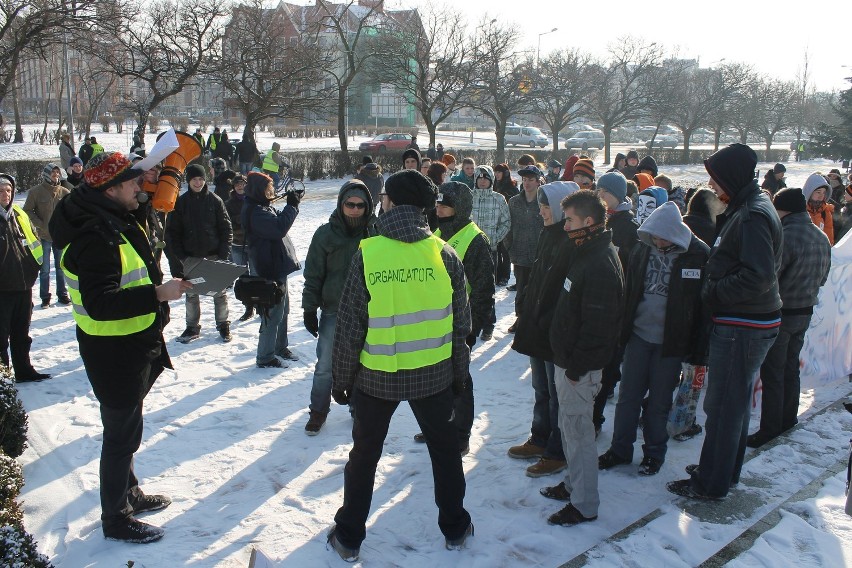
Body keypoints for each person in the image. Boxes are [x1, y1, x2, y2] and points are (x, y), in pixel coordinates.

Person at [327, 170, 473, 561]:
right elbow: (462, 325)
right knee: (445, 454)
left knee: (364, 456)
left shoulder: (369, 253)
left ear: (388, 201)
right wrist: (460, 376)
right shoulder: (445, 253)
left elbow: (350, 326)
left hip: (377, 378)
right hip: (434, 375)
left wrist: (341, 380)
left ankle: (348, 536)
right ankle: (456, 528)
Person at [48, 151, 192, 543]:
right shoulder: (95, 236)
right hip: (113, 351)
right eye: (133, 183)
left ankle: (129, 493)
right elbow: (101, 301)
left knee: (127, 427)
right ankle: (115, 518)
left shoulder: (111, 217)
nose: (140, 189)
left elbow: (137, 259)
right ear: (110, 189)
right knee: (120, 437)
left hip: (132, 342)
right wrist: (158, 294)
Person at [667, 143, 782, 501]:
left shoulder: (751, 215)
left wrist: (714, 290)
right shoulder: (751, 206)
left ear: (731, 177)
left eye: (716, 180)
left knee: (723, 407)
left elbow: (758, 275)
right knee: (734, 403)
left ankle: (710, 482)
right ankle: (723, 471)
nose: (712, 186)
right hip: (749, 321)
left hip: (742, 325)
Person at [598, 202, 710, 476]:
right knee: (627, 398)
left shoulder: (698, 255)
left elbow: (703, 306)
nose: (658, 241)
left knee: (659, 403)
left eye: (663, 237)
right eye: (654, 236)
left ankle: (654, 454)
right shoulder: (642, 248)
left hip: (671, 344)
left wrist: (697, 350)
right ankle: (620, 449)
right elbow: (630, 288)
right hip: (638, 336)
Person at [541, 190, 623, 526]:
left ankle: (585, 504)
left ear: (588, 222)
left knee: (578, 434)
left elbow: (599, 327)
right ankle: (574, 484)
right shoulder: (586, 251)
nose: (565, 227)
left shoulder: (600, 262)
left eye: (570, 221)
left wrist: (576, 367)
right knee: (571, 429)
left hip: (579, 368)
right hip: (570, 361)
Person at [412, 181, 494, 452]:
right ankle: (438, 427)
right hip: (433, 322)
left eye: (446, 205)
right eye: (438, 204)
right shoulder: (436, 231)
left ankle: (460, 434)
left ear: (460, 208)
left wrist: (472, 328)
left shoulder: (475, 239)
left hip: (460, 323)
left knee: (459, 381)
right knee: (434, 379)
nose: (440, 209)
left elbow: (483, 290)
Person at [747, 188, 831, 448]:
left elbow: (772, 276)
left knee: (773, 371)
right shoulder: (820, 236)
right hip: (805, 311)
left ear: (784, 209)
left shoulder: (785, 235)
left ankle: (770, 428)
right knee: (790, 368)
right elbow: (825, 277)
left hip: (782, 312)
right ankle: (787, 420)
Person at [510, 181, 578, 477]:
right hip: (536, 325)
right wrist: (524, 304)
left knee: (556, 393)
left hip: (554, 329)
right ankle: (539, 438)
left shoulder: (571, 241)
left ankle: (557, 450)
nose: (542, 211)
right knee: (541, 389)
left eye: (548, 206)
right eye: (541, 205)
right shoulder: (548, 235)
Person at [302, 180, 375, 434]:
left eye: (360, 206)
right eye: (350, 204)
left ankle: (359, 408)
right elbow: (313, 275)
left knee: (362, 364)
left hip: (367, 310)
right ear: (341, 204)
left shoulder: (374, 234)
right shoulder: (325, 234)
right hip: (333, 309)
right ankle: (318, 411)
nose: (355, 210)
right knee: (325, 365)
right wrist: (309, 309)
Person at [592, 172, 639, 433]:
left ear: (618, 196)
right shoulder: (602, 219)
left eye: (604, 193)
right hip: (599, 298)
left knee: (607, 363)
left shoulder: (627, 227)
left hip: (617, 302)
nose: (599, 197)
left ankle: (595, 418)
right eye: (598, 191)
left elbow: (630, 268)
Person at [165, 163, 233, 343]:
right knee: (191, 294)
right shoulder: (181, 202)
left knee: (219, 293)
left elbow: (226, 228)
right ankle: (192, 326)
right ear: (189, 181)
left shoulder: (215, 200)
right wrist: (181, 256)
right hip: (190, 257)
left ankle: (223, 324)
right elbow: (173, 232)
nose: (198, 182)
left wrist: (223, 254)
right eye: (195, 179)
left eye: (201, 179)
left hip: (213, 254)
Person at [243, 172, 301, 367]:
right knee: (272, 314)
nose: (272, 192)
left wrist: (290, 204)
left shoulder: (261, 207)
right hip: (268, 270)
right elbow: (279, 228)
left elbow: (279, 222)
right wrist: (292, 206)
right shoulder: (256, 212)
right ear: (259, 190)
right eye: (268, 189)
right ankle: (265, 356)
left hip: (276, 267)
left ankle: (279, 346)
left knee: (283, 311)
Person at [0, 173, 50, 382]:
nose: (5, 194)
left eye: (8, 190)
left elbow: (34, 243)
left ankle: (23, 370)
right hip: (2, 290)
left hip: (23, 285)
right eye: (1, 191)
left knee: (22, 334)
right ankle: (3, 377)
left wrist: (34, 267)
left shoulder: (18, 214)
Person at [469, 165, 510, 341]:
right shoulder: (469, 197)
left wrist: (494, 239)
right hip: (469, 250)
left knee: (487, 288)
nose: (483, 180)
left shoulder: (499, 199)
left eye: (486, 177)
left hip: (490, 250)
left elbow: (506, 223)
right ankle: (469, 322)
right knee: (468, 288)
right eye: (480, 177)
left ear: (492, 180)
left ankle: (488, 324)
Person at [23, 163, 71, 308]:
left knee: (60, 267)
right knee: (44, 270)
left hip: (59, 236)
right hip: (43, 236)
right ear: (46, 174)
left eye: (57, 173)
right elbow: (28, 211)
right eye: (52, 173)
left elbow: (70, 211)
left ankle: (62, 294)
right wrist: (41, 224)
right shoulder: (35, 192)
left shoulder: (64, 192)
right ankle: (45, 297)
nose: (55, 175)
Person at [504, 165, 545, 332]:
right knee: (521, 290)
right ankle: (520, 319)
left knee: (538, 291)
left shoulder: (544, 203)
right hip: (519, 254)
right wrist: (510, 247)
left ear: (538, 181)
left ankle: (534, 321)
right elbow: (508, 227)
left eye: (531, 180)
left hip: (539, 255)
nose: (527, 183)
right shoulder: (514, 202)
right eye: (525, 179)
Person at [493, 163, 519, 286]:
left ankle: (505, 275)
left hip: (507, 222)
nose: (497, 174)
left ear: (505, 173)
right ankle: (497, 275)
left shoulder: (511, 188)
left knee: (505, 251)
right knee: (496, 250)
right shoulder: (492, 185)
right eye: (495, 172)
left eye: (499, 172)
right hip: (494, 222)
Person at [802, 172, 835, 244]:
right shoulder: (798, 211)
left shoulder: (825, 212)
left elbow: (829, 239)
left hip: (819, 253)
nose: (821, 196)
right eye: (818, 192)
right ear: (809, 192)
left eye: (824, 193)